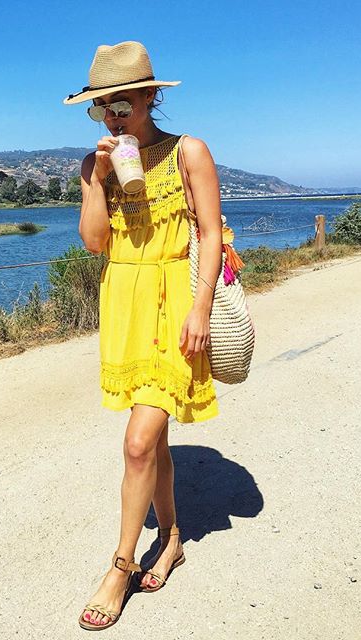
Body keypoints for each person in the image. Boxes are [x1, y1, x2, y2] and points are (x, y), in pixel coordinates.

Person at [63, 41, 224, 631]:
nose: (113, 114)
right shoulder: (93, 163)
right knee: (150, 440)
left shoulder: (190, 152)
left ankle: (120, 566)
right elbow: (95, 243)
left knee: (137, 443)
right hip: (124, 302)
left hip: (176, 301)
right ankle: (173, 535)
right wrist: (96, 179)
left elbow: (209, 232)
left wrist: (200, 308)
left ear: (151, 96)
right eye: (103, 105)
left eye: (122, 101)